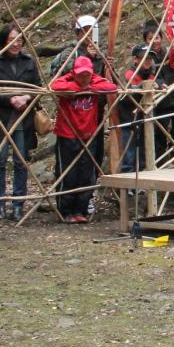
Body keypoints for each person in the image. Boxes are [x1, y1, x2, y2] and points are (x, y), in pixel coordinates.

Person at [49, 55, 118, 223]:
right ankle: (66, 211)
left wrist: (90, 85)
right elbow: (54, 86)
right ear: (74, 72)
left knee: (86, 174)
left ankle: (81, 210)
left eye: (87, 75)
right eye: (80, 75)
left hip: (89, 135)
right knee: (68, 174)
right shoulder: (67, 81)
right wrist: (76, 88)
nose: (83, 78)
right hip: (68, 134)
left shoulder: (94, 82)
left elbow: (111, 86)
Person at [0, 23, 42, 220]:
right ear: (3, 42)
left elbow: (37, 88)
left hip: (22, 118)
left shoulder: (29, 62)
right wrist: (10, 99)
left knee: (20, 161)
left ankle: (18, 204)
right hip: (0, 118)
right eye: (11, 40)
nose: (16, 44)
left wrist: (25, 98)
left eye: (19, 40)